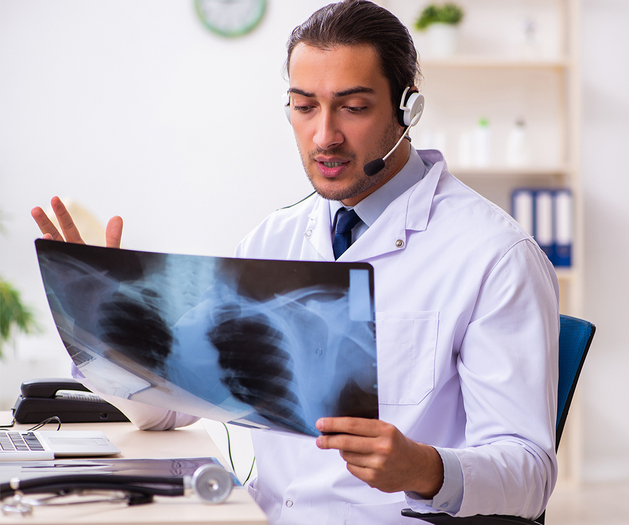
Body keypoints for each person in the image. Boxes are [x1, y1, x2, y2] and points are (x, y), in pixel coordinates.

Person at [32, 1, 560, 523]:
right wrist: (101, 318)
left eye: (353, 107)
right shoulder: (272, 239)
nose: (324, 135)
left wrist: (424, 468)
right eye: (304, 106)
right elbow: (171, 409)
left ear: (408, 108)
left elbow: (531, 476)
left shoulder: (495, 255)